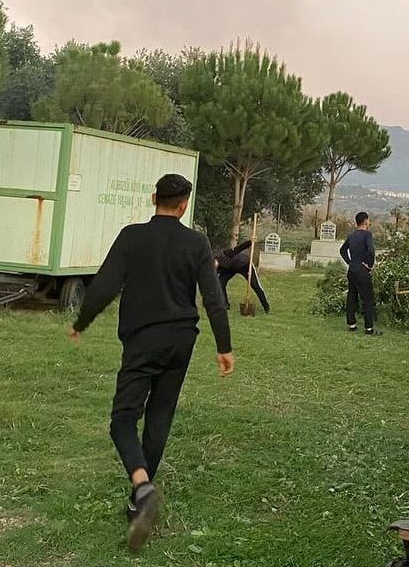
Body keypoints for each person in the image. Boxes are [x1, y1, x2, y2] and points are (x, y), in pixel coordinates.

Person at [67, 174, 234, 553]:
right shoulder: (197, 242)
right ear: (183, 205)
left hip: (143, 341)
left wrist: (81, 323)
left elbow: (106, 285)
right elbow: (213, 298)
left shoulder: (132, 236)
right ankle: (135, 503)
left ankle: (142, 486)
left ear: (153, 197)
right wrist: (224, 346)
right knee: (159, 416)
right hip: (181, 341)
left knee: (123, 419)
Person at [340, 211, 376, 334]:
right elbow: (371, 250)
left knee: (352, 297)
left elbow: (342, 250)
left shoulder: (352, 235)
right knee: (368, 299)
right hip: (362, 270)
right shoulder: (367, 235)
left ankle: (352, 324)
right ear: (366, 222)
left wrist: (350, 262)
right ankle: (369, 328)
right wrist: (369, 265)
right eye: (368, 221)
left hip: (352, 270)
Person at [215, 239, 270, 313]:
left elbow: (239, 248)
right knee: (220, 283)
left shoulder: (224, 254)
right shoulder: (212, 268)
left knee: (255, 285)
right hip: (230, 269)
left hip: (244, 264)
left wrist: (250, 242)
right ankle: (225, 304)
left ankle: (266, 307)